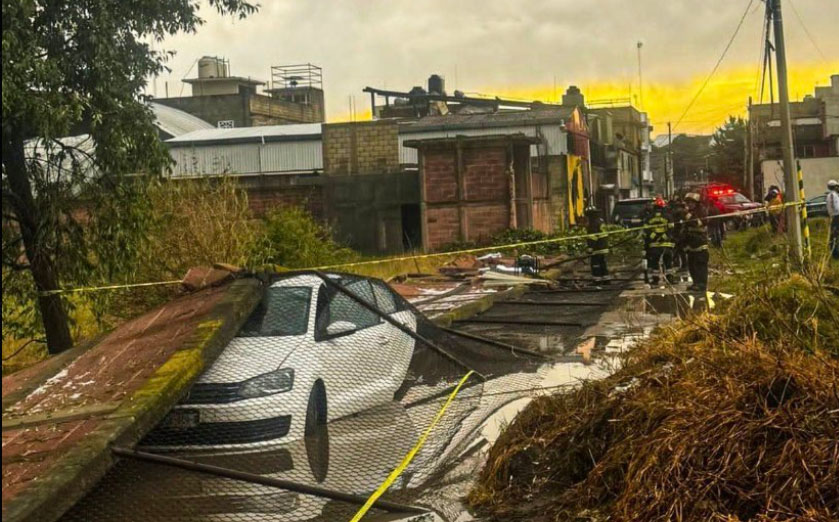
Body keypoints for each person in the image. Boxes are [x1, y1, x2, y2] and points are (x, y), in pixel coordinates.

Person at [644, 196, 675, 286]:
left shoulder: (649, 217)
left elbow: (647, 230)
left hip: (654, 244)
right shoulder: (668, 216)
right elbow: (671, 229)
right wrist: (663, 237)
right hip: (666, 243)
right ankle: (669, 279)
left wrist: (654, 237)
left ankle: (655, 280)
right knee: (668, 262)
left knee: (654, 263)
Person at [682, 193, 709, 292]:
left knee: (700, 265)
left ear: (696, 203)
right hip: (691, 243)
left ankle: (701, 284)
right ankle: (696, 283)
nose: (688, 204)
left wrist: (688, 215)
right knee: (692, 265)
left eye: (690, 202)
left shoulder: (701, 211)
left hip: (700, 242)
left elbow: (698, 223)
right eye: (687, 202)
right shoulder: (688, 212)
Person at [585, 206, 610, 284]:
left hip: (597, 247)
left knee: (595, 264)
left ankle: (597, 280)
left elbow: (593, 237)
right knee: (603, 263)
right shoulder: (600, 220)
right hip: (604, 246)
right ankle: (606, 279)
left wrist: (590, 248)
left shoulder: (593, 223)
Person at [669, 194, 689, 272]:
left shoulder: (678, 213)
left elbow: (681, 223)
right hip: (678, 233)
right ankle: (680, 263)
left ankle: (682, 264)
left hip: (679, 233)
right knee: (679, 249)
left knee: (679, 249)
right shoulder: (683, 212)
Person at [827, 179, 839, 260]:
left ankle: (834, 251)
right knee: (835, 235)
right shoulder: (832, 195)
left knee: (834, 234)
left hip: (834, 216)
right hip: (836, 216)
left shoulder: (831, 195)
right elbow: (835, 207)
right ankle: (835, 252)